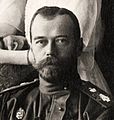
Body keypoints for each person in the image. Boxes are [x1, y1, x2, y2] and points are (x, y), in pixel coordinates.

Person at [0, 6, 113, 120]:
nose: (49, 51)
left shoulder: (97, 110)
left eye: (61, 41)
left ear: (78, 47)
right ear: (32, 48)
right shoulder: (10, 101)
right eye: (41, 42)